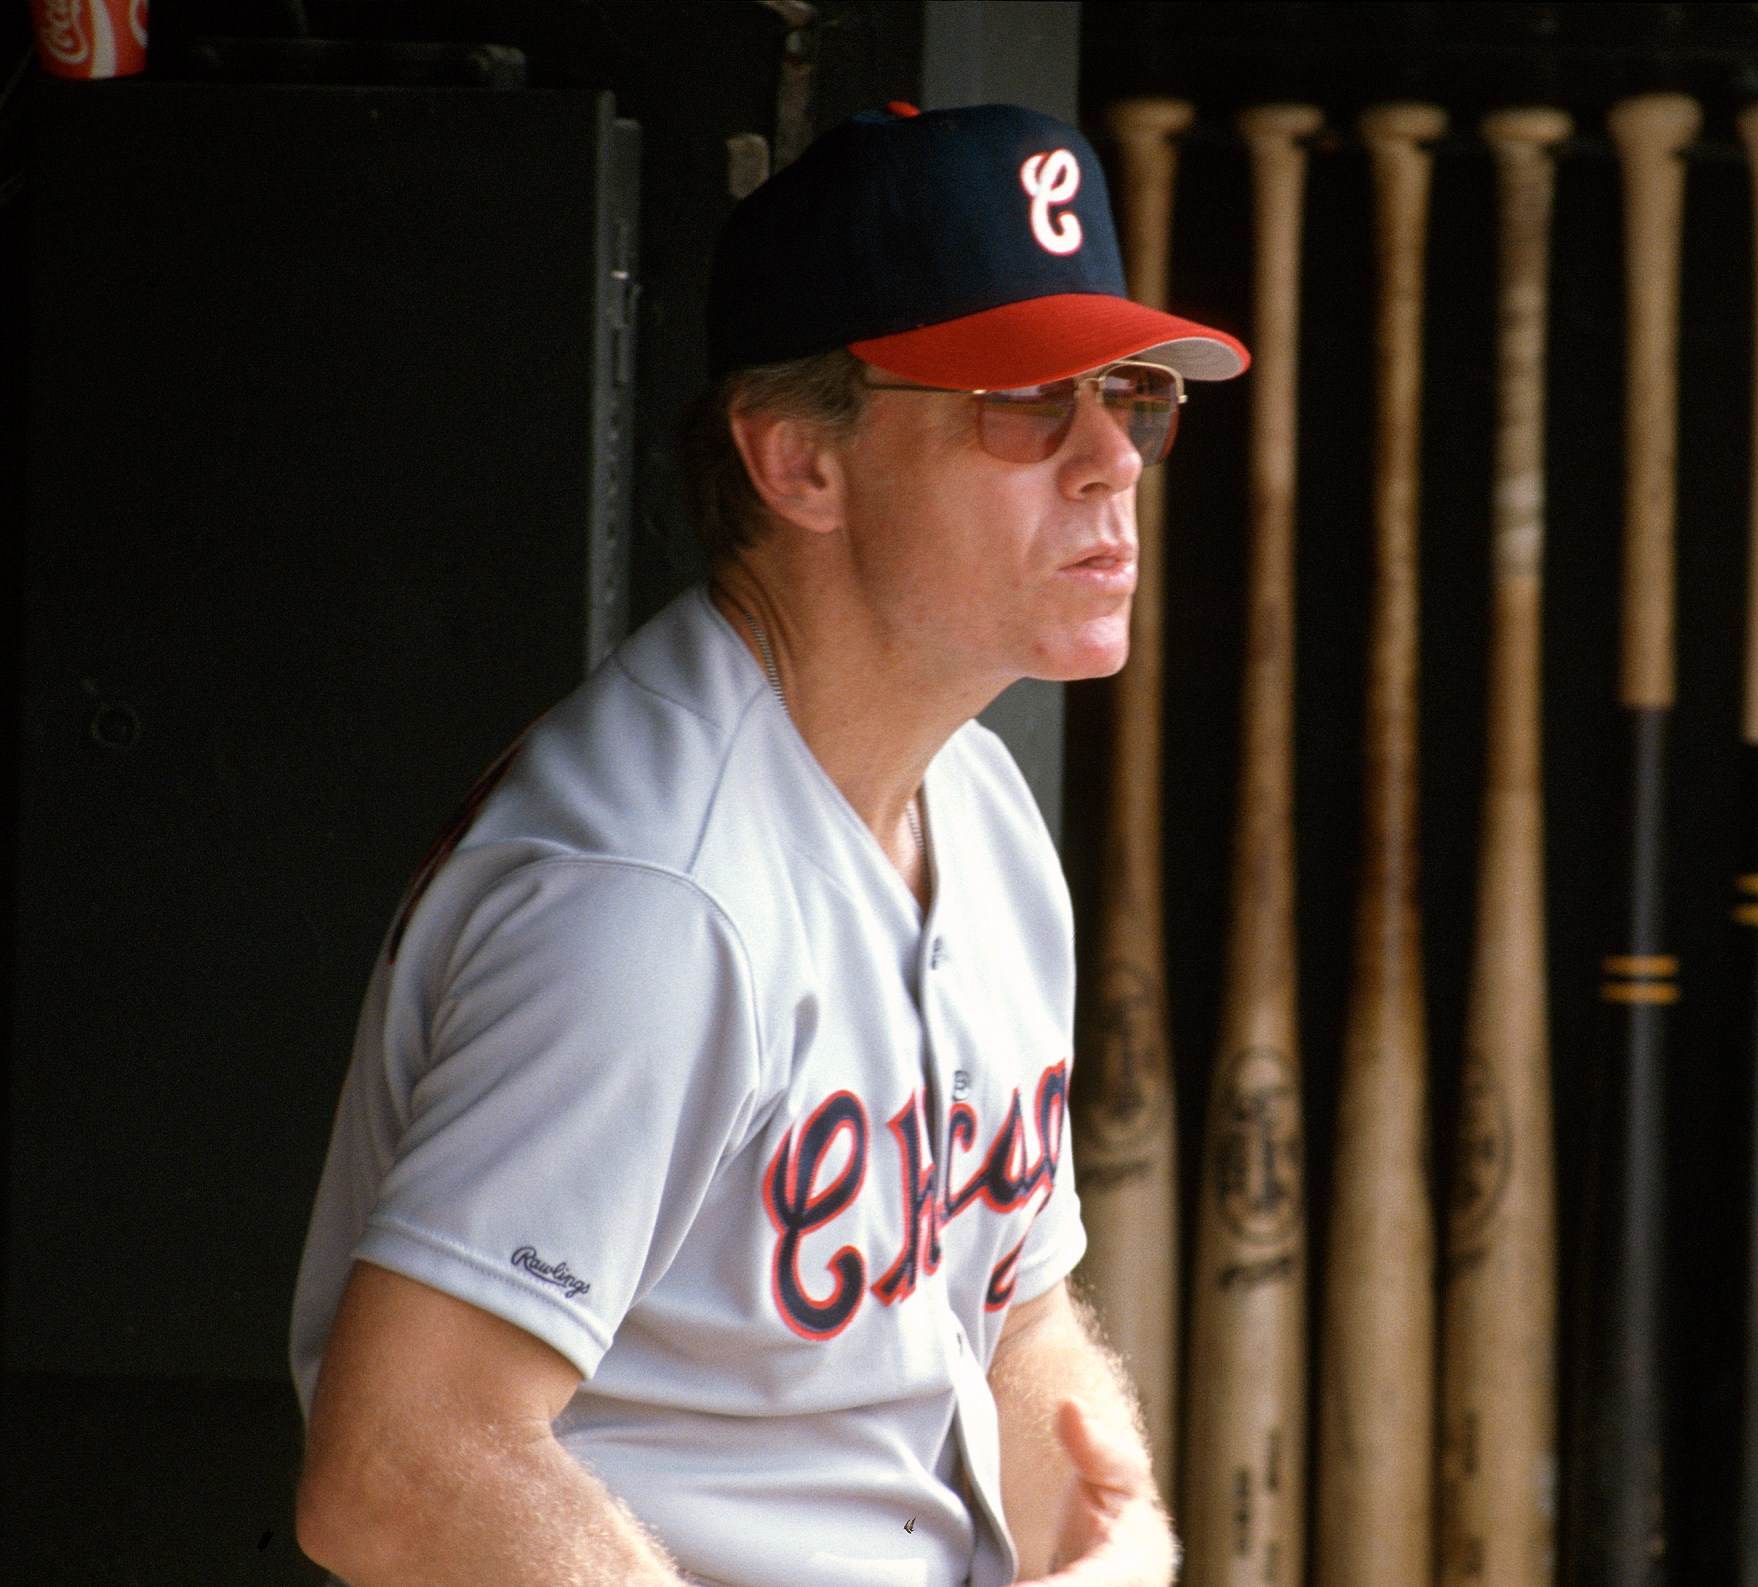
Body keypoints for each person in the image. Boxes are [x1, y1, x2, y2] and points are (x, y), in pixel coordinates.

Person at [287, 101, 1246, 1587]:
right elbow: (405, 1467)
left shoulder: (979, 809)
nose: (1112, 458)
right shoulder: (653, 901)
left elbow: (1013, 1317)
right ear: (800, 462)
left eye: (1131, 397)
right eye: (1025, 403)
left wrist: (1122, 1552)